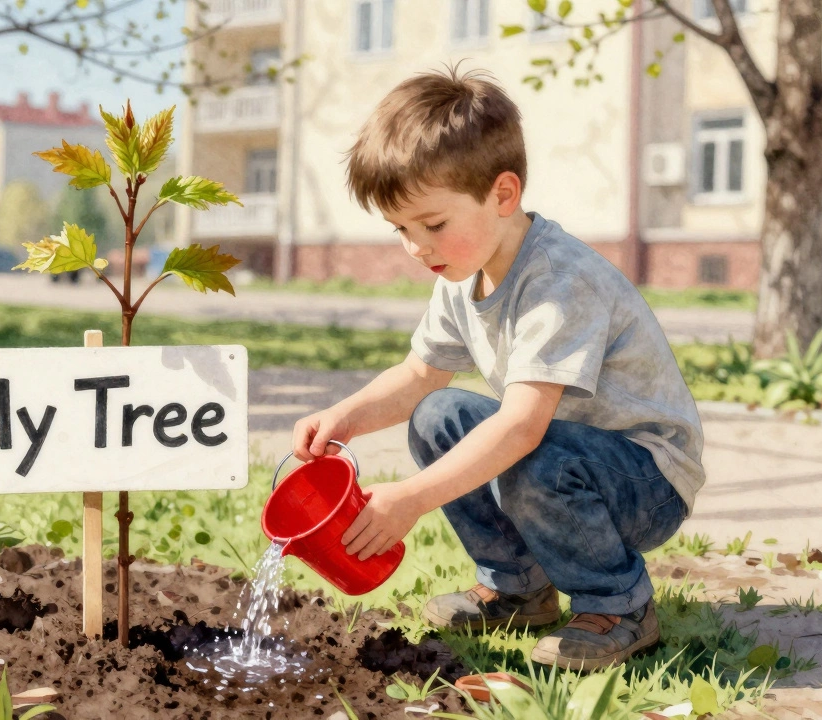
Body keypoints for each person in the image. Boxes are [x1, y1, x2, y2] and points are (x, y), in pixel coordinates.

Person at [290, 66, 705, 672]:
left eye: (432, 225)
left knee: (525, 449)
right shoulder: (464, 273)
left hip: (645, 477)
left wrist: (408, 500)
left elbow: (521, 429)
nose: (416, 247)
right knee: (438, 415)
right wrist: (345, 416)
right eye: (401, 229)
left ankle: (619, 603)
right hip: (567, 458)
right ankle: (517, 588)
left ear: (503, 195)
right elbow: (418, 377)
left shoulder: (559, 281)